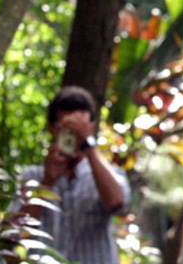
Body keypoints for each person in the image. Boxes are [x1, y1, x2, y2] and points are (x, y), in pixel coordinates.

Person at [11, 86, 131, 264]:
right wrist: (47, 181)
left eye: (80, 130)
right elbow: (13, 234)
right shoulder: (33, 176)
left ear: (91, 128)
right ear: (52, 129)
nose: (75, 137)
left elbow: (118, 203)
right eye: (68, 129)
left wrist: (89, 147)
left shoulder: (106, 175)